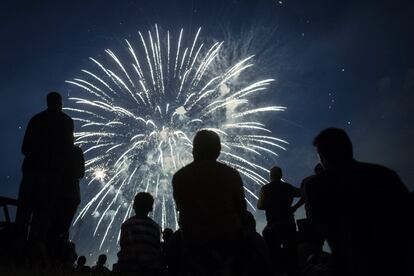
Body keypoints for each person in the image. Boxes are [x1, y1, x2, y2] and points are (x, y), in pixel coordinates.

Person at [304, 128, 410, 276]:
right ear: (349, 148)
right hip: (396, 261)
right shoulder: (384, 175)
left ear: (322, 155)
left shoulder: (315, 185)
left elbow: (317, 224)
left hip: (348, 264)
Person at [172, 130, 247, 273]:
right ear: (218, 150)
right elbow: (241, 210)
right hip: (229, 246)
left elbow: (182, 211)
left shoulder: (180, 177)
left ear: (194, 150)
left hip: (196, 248)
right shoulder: (231, 174)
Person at [15, 91, 74, 264]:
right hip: (51, 176)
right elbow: (68, 150)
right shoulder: (66, 121)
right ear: (60, 103)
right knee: (42, 217)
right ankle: (33, 257)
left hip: (31, 172)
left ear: (47, 102)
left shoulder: (36, 120)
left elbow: (24, 148)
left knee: (23, 214)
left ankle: (16, 255)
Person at [257, 166, 301, 275]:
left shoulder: (266, 188)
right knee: (292, 256)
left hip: (273, 225)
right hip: (288, 224)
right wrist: (295, 207)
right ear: (281, 175)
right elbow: (303, 192)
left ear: (270, 175)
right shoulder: (288, 187)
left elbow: (260, 206)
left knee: (273, 256)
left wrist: (271, 204)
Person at [115, 192, 161, 275]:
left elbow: (123, 245)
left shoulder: (126, 224)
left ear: (134, 206)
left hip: (126, 268)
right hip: (148, 270)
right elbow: (157, 249)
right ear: (151, 208)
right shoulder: (155, 227)